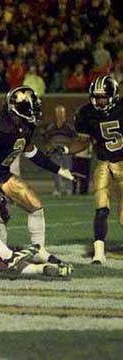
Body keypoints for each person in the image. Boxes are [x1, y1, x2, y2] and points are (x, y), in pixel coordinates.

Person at [0, 86, 79, 265]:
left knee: (35, 205)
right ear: (15, 109)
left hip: (2, 174)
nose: (34, 112)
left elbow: (32, 153)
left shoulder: (26, 126)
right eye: (30, 108)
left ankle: (38, 250)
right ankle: (2, 256)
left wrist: (59, 170)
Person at [48, 75, 123, 264]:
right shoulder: (87, 113)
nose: (99, 101)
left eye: (103, 97)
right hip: (104, 163)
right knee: (101, 209)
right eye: (96, 97)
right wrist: (65, 149)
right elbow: (82, 141)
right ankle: (99, 252)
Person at [43, 105, 76, 196]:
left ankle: (68, 188)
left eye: (62, 113)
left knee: (67, 169)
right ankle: (57, 189)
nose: (60, 115)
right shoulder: (51, 127)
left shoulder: (69, 127)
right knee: (56, 170)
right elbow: (46, 139)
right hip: (55, 151)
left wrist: (70, 148)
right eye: (58, 113)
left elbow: (74, 138)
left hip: (65, 151)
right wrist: (49, 148)